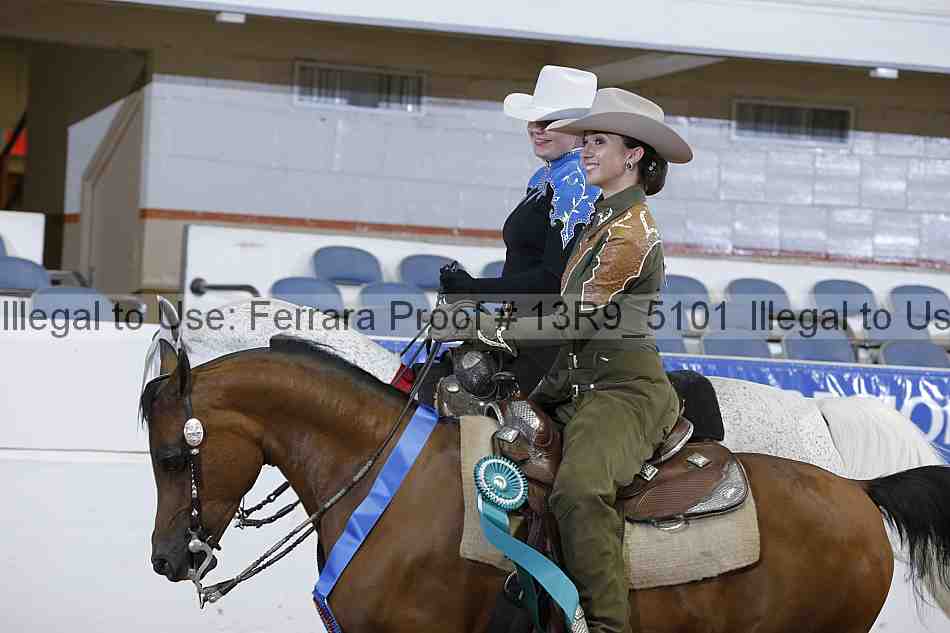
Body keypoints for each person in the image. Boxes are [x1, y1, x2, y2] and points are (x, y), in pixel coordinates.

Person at [433, 87, 693, 633]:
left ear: (633, 155)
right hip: (571, 385)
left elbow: (575, 318)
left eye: (599, 142)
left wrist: (489, 327)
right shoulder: (600, 217)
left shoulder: (631, 231)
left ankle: (607, 625)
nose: (587, 150)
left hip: (622, 393)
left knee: (579, 493)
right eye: (587, 140)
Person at [439, 65, 600, 395]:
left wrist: (475, 289)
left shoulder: (578, 181)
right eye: (534, 120)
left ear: (580, 129)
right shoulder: (544, 178)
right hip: (520, 325)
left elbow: (552, 279)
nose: (537, 129)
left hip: (549, 340)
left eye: (550, 122)